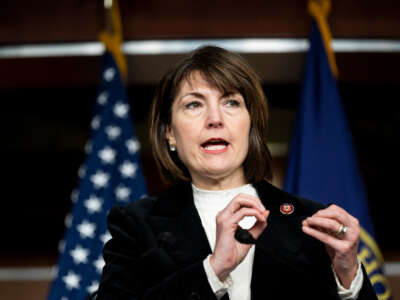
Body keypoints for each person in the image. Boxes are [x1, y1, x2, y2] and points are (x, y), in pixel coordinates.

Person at [96, 46, 377, 300]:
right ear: (170, 133)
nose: (215, 119)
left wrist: (348, 275)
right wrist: (213, 269)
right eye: (194, 104)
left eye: (231, 102)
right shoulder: (134, 224)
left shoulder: (310, 222)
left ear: (250, 124)